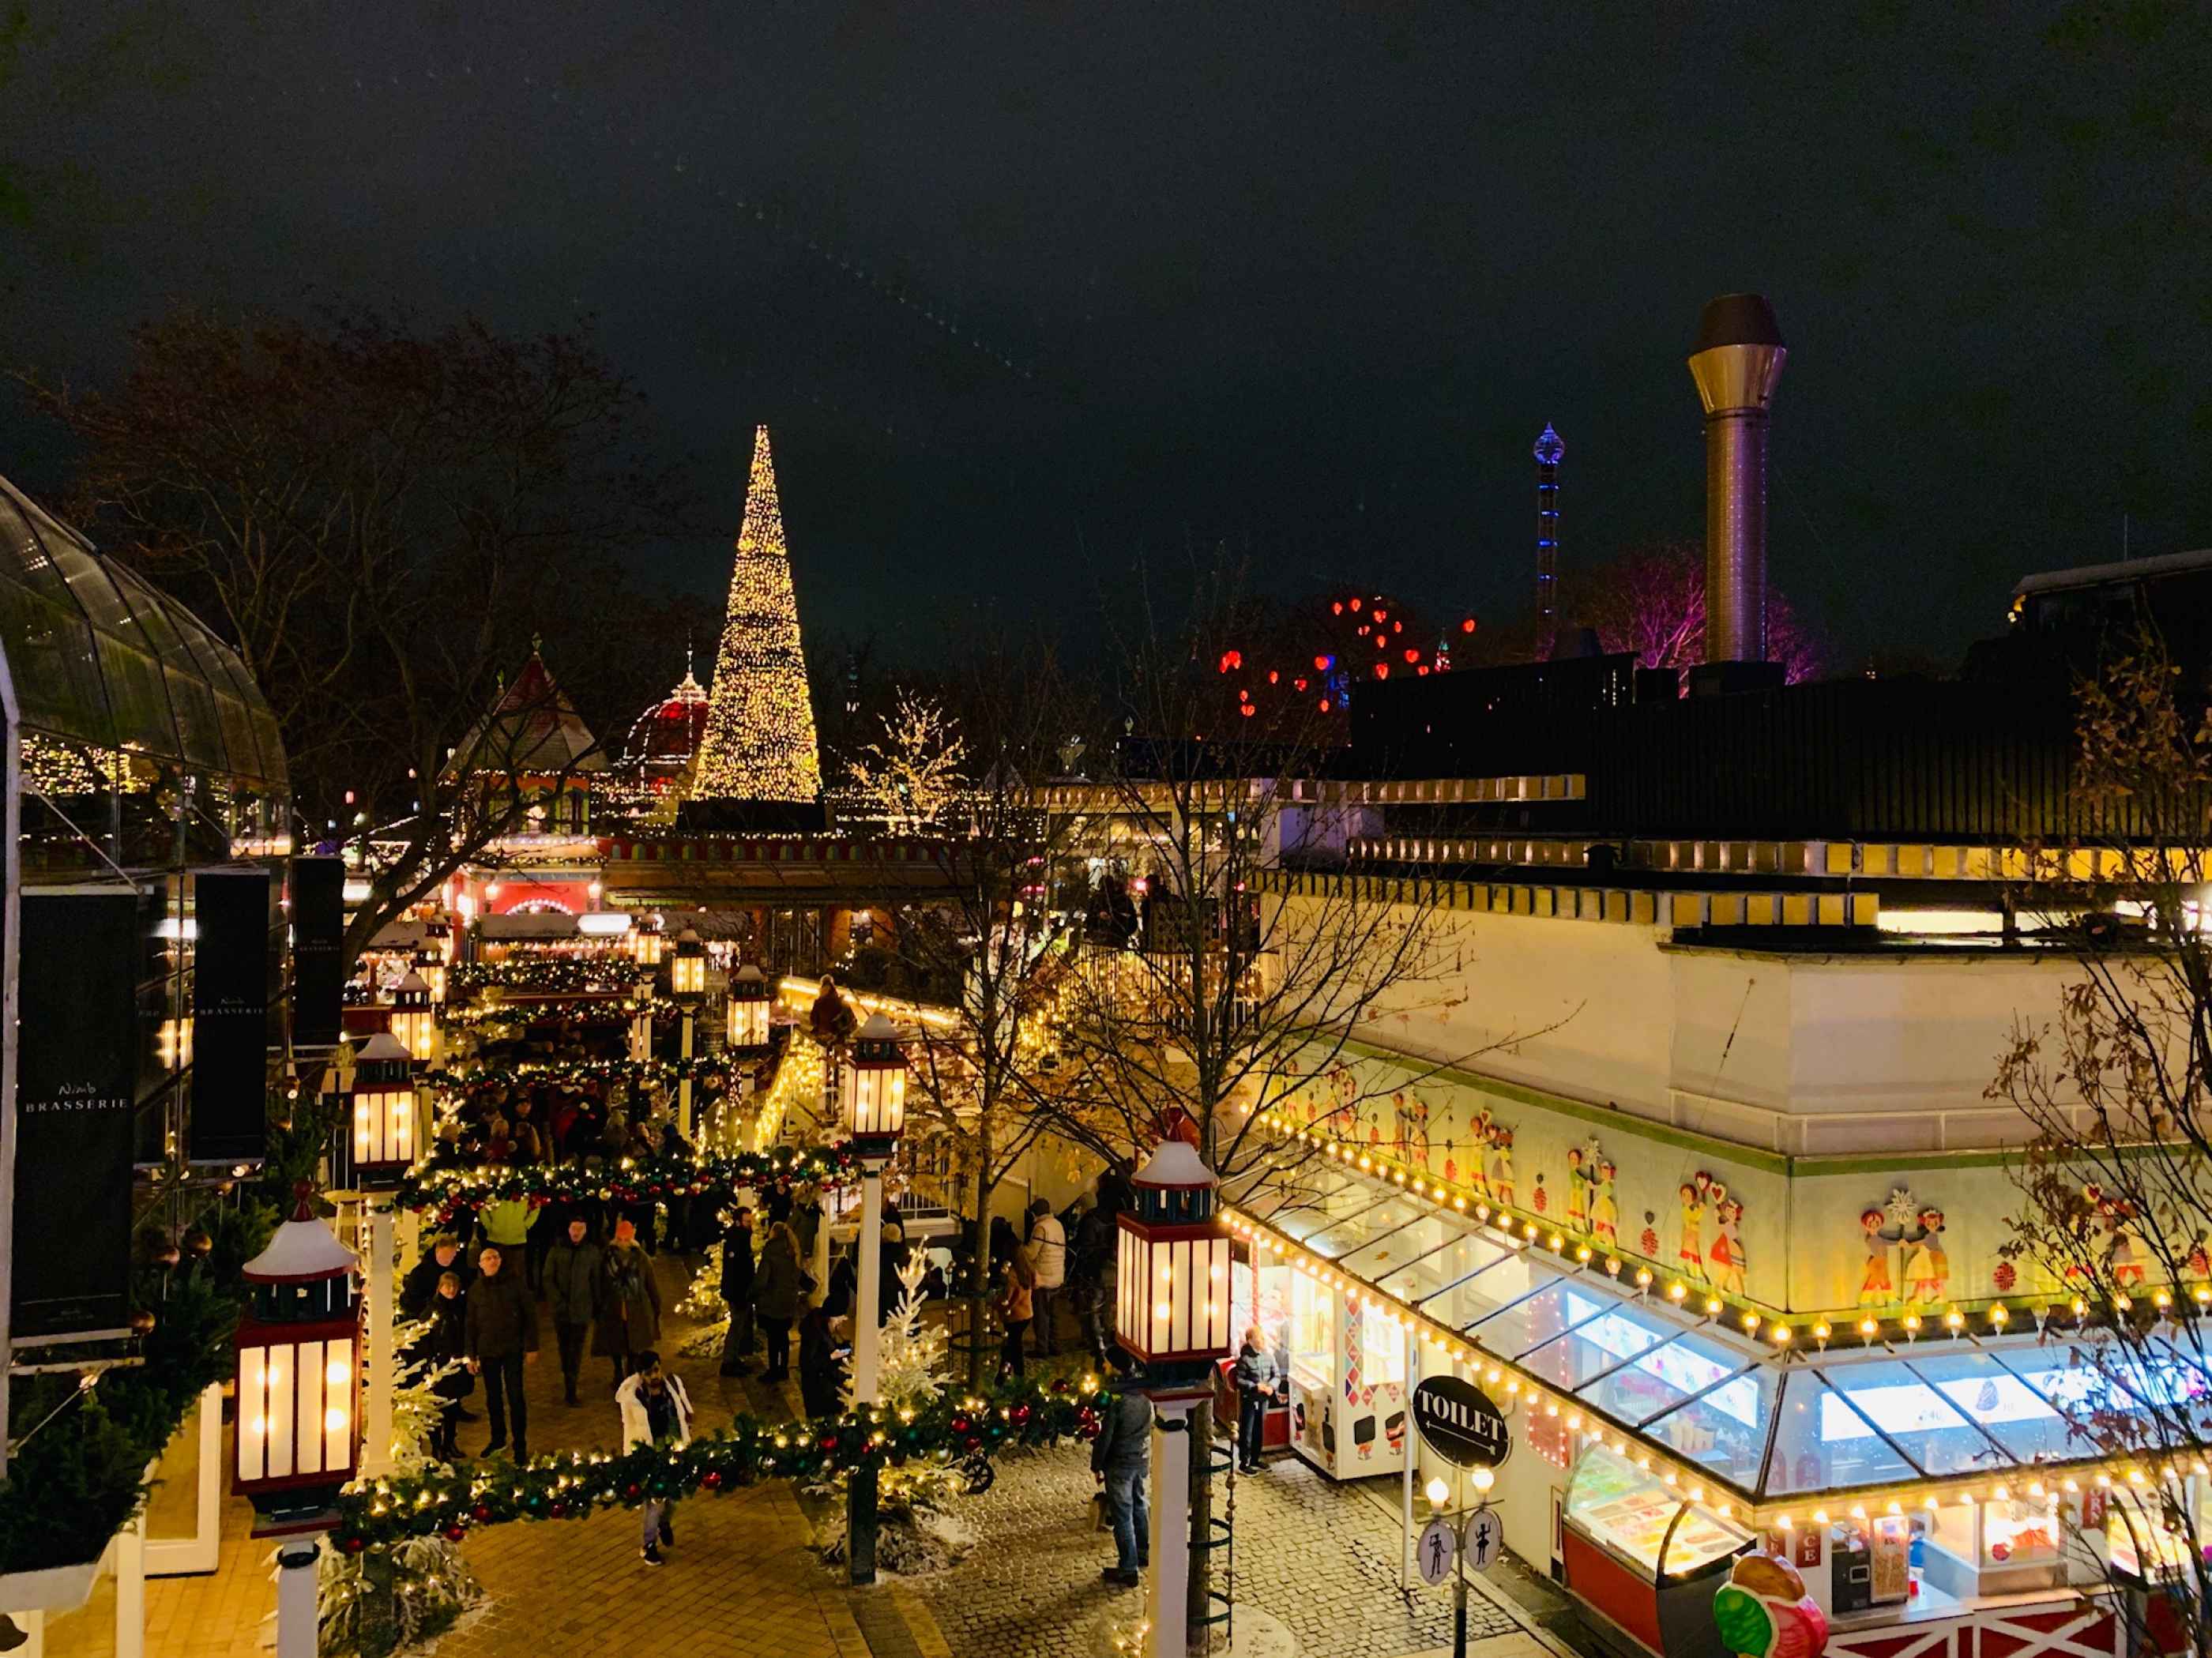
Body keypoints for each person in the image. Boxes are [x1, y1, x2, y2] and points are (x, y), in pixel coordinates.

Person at [616, 1352, 693, 1568]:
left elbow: (684, 1412)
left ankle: (664, 1524)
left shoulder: (672, 1387)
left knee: (674, 1499)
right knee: (654, 1504)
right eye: (649, 1373)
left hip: (674, 1451)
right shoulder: (634, 1398)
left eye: (657, 1370)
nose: (655, 1376)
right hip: (650, 1456)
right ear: (641, 1375)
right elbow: (629, 1430)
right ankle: (648, 1545)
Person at [463, 1244, 537, 1461]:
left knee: (516, 1396)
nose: (492, 1261)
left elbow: (529, 1316)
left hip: (512, 1348)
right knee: (493, 1398)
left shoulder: (515, 1283)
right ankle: (498, 1439)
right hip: (488, 1351)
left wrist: (532, 1346)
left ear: (501, 1260)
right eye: (487, 1258)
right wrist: (471, 1354)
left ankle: (520, 1444)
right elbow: (471, 1324)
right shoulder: (476, 1289)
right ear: (480, 1264)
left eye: (495, 1257)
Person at [1093, 1347, 1153, 1587]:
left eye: (1107, 1363)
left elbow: (1106, 1436)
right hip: (1141, 1458)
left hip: (1120, 1464)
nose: (1104, 1367)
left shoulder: (1118, 1399)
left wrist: (1097, 1465)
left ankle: (1128, 1568)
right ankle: (1143, 1552)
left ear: (1116, 1366)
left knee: (1123, 1514)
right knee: (1139, 1504)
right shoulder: (1144, 1391)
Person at [544, 1216, 604, 1406]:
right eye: (574, 1228)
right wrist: (557, 1302)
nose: (576, 1232)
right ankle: (568, 1379)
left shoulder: (592, 1253)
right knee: (564, 1348)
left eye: (580, 1228)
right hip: (561, 1311)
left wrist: (597, 1305)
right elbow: (548, 1278)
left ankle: (571, 1386)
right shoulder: (556, 1251)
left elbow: (596, 1280)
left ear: (585, 1231)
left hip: (581, 1310)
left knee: (576, 1350)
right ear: (568, 1230)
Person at [596, 1217, 662, 1389]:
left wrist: (656, 1306)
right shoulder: (606, 1257)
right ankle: (618, 1372)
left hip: (636, 1306)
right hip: (614, 1305)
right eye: (621, 1239)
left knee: (634, 1343)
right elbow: (598, 1281)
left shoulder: (641, 1258)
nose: (623, 1243)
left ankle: (630, 1373)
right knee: (616, 1342)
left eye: (626, 1239)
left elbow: (650, 1283)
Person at [423, 1269, 471, 1461]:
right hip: (438, 1366)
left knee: (453, 1407)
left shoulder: (461, 1308)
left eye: (454, 1286)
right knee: (437, 1408)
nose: (451, 1290)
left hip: (456, 1363)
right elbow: (425, 1339)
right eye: (447, 1286)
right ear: (440, 1288)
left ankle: (449, 1442)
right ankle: (437, 1447)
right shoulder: (432, 1311)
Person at [754, 1220, 806, 1382]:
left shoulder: (770, 1253)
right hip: (788, 1302)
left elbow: (762, 1280)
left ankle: (773, 1370)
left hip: (772, 1302)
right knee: (783, 1336)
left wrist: (753, 1294)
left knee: (773, 1338)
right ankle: (783, 1369)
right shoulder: (794, 1252)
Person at [1232, 1325, 1282, 1473]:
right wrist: (1254, 1386)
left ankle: (1255, 1459)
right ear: (1250, 1340)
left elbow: (1276, 1375)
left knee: (1259, 1430)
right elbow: (1239, 1380)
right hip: (1250, 1400)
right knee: (1247, 1430)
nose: (1262, 1340)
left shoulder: (1269, 1356)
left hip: (1263, 1400)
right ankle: (1244, 1462)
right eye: (1259, 1338)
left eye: (1262, 1337)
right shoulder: (1245, 1359)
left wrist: (1271, 1387)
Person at [718, 1208, 758, 1377]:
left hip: (741, 1291)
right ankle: (729, 1361)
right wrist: (741, 1294)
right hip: (738, 1293)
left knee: (740, 1326)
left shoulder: (741, 1237)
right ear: (738, 1221)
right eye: (747, 1221)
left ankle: (734, 1359)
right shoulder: (736, 1239)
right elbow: (736, 1271)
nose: (750, 1225)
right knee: (736, 1326)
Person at [1025, 1197, 1066, 1355]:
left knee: (1041, 1316)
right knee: (1054, 1315)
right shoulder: (1058, 1225)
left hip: (1043, 1279)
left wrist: (1021, 1250)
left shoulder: (1040, 1228)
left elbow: (1032, 1253)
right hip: (1057, 1277)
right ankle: (1055, 1346)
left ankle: (1041, 1348)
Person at [401, 1234, 472, 1322]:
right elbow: (410, 1300)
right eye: (445, 1255)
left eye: (452, 1256)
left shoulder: (459, 1267)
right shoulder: (420, 1272)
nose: (448, 1259)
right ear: (437, 1251)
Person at [997, 1245, 1037, 1380]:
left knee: (1011, 1348)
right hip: (1026, 1314)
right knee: (1014, 1345)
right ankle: (1011, 1375)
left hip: (1013, 1315)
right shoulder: (1027, 1270)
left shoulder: (1011, 1275)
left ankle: (1005, 1377)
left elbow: (1006, 1299)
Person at [797, 1304, 843, 1418]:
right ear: (832, 1317)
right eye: (841, 1317)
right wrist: (831, 1357)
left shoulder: (822, 1328)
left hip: (823, 1384)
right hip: (818, 1387)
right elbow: (809, 1362)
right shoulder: (815, 1333)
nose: (843, 1319)